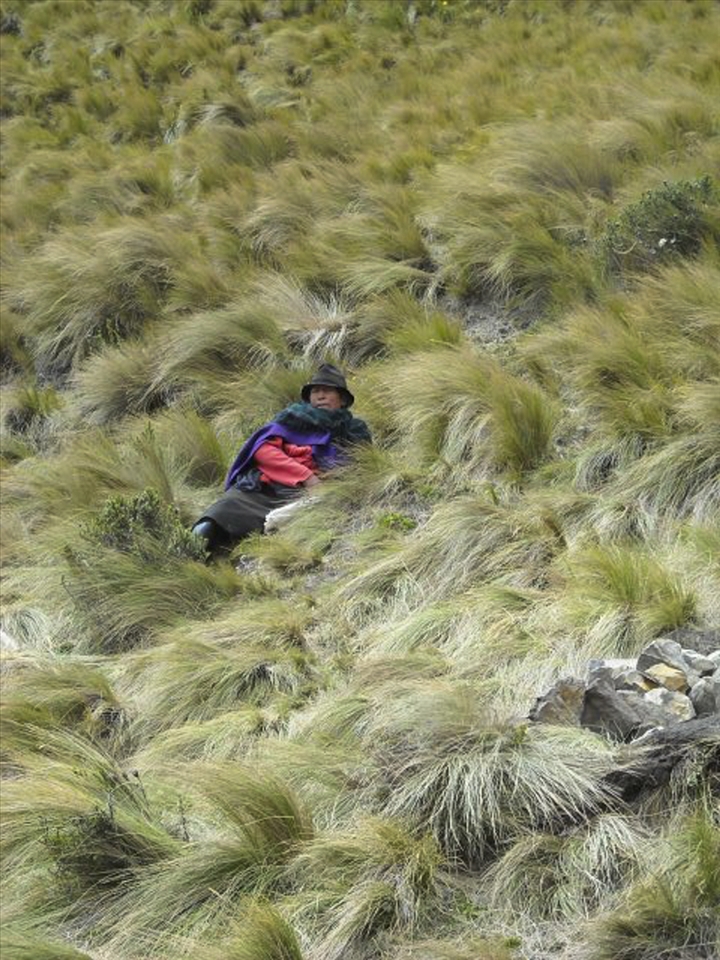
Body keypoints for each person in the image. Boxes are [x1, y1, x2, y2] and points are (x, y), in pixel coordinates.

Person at [192, 363, 371, 553]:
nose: (320, 396)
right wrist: (307, 477)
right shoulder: (292, 418)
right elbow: (263, 451)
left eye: (327, 391)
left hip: (309, 498)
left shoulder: (355, 431)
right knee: (210, 524)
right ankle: (189, 556)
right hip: (263, 490)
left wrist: (326, 484)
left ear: (342, 399)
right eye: (316, 391)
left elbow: (358, 472)